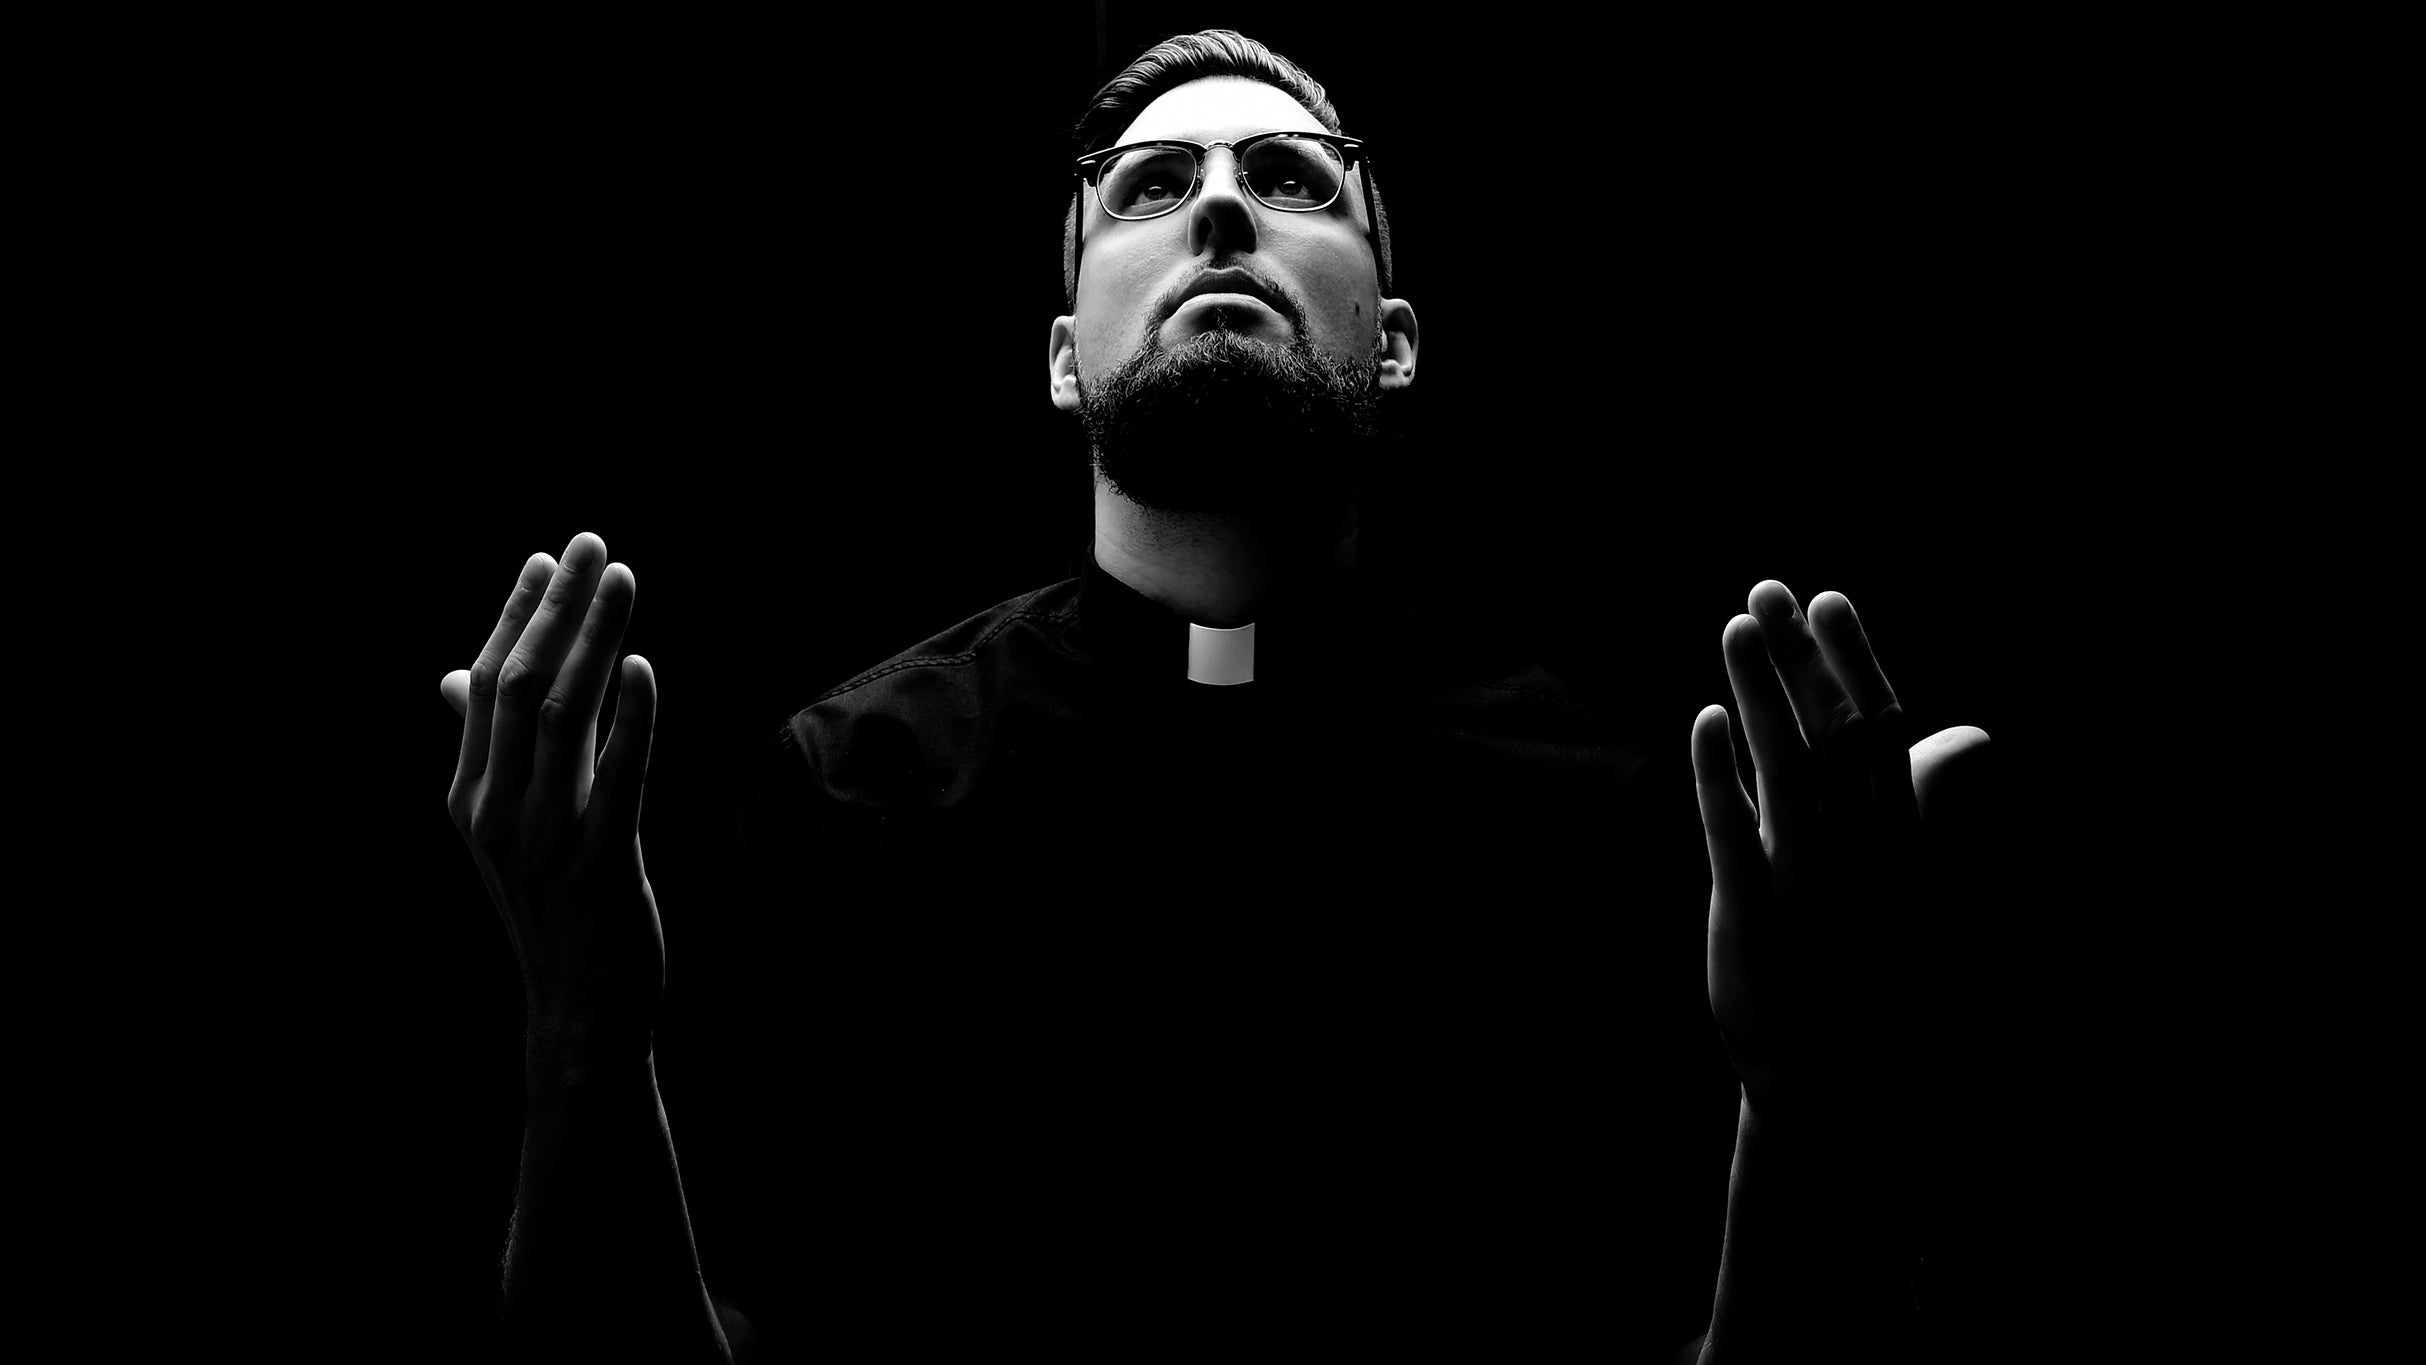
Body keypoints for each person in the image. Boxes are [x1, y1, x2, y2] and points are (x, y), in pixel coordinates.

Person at [440, 30, 1992, 1362]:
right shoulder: (846, 786)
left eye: (1294, 177)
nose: (1223, 205)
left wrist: (1812, 1093)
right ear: (1065, 357)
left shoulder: (1603, 806)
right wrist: (579, 1031)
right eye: (1149, 186)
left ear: (1393, 343)